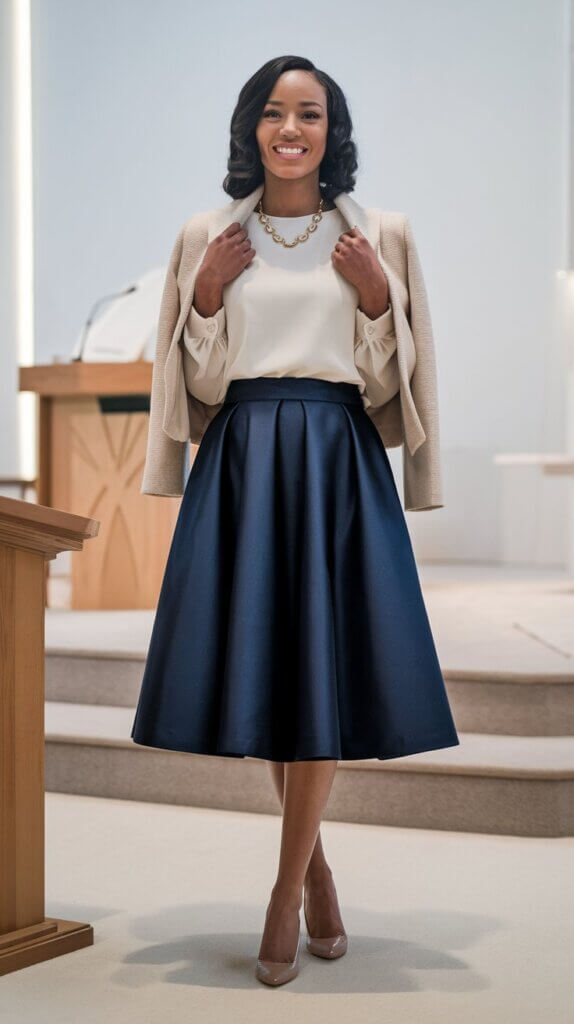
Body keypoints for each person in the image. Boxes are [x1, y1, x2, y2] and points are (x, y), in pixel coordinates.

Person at [131, 54, 459, 987]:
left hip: (333, 457)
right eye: (274, 112)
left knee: (319, 665)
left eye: (309, 114)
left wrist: (375, 298)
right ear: (251, 128)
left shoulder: (379, 233)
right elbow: (189, 391)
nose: (291, 129)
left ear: (331, 130)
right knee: (273, 667)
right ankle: (313, 872)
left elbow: (397, 387)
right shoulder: (207, 234)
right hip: (239, 459)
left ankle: (280, 894)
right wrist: (202, 295)